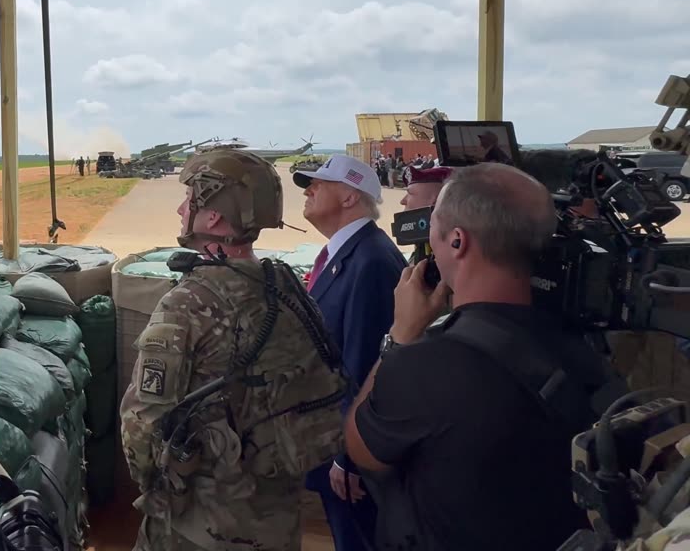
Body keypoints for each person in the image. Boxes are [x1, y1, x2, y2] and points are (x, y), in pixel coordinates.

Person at [344, 163, 622, 550]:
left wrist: (401, 334)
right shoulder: (585, 345)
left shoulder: (426, 365)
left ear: (457, 241)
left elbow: (364, 453)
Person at [120, 149, 347, 551]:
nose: (179, 208)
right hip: (277, 520)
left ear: (213, 217)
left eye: (189, 201)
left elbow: (143, 424)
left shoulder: (187, 303)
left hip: (199, 525)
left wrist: (156, 488)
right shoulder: (291, 291)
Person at [292, 155, 406, 551]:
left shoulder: (371, 261)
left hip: (350, 450)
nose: (308, 191)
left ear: (348, 197)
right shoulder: (350, 255)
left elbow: (371, 365)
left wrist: (350, 456)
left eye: (318, 185)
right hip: (334, 440)